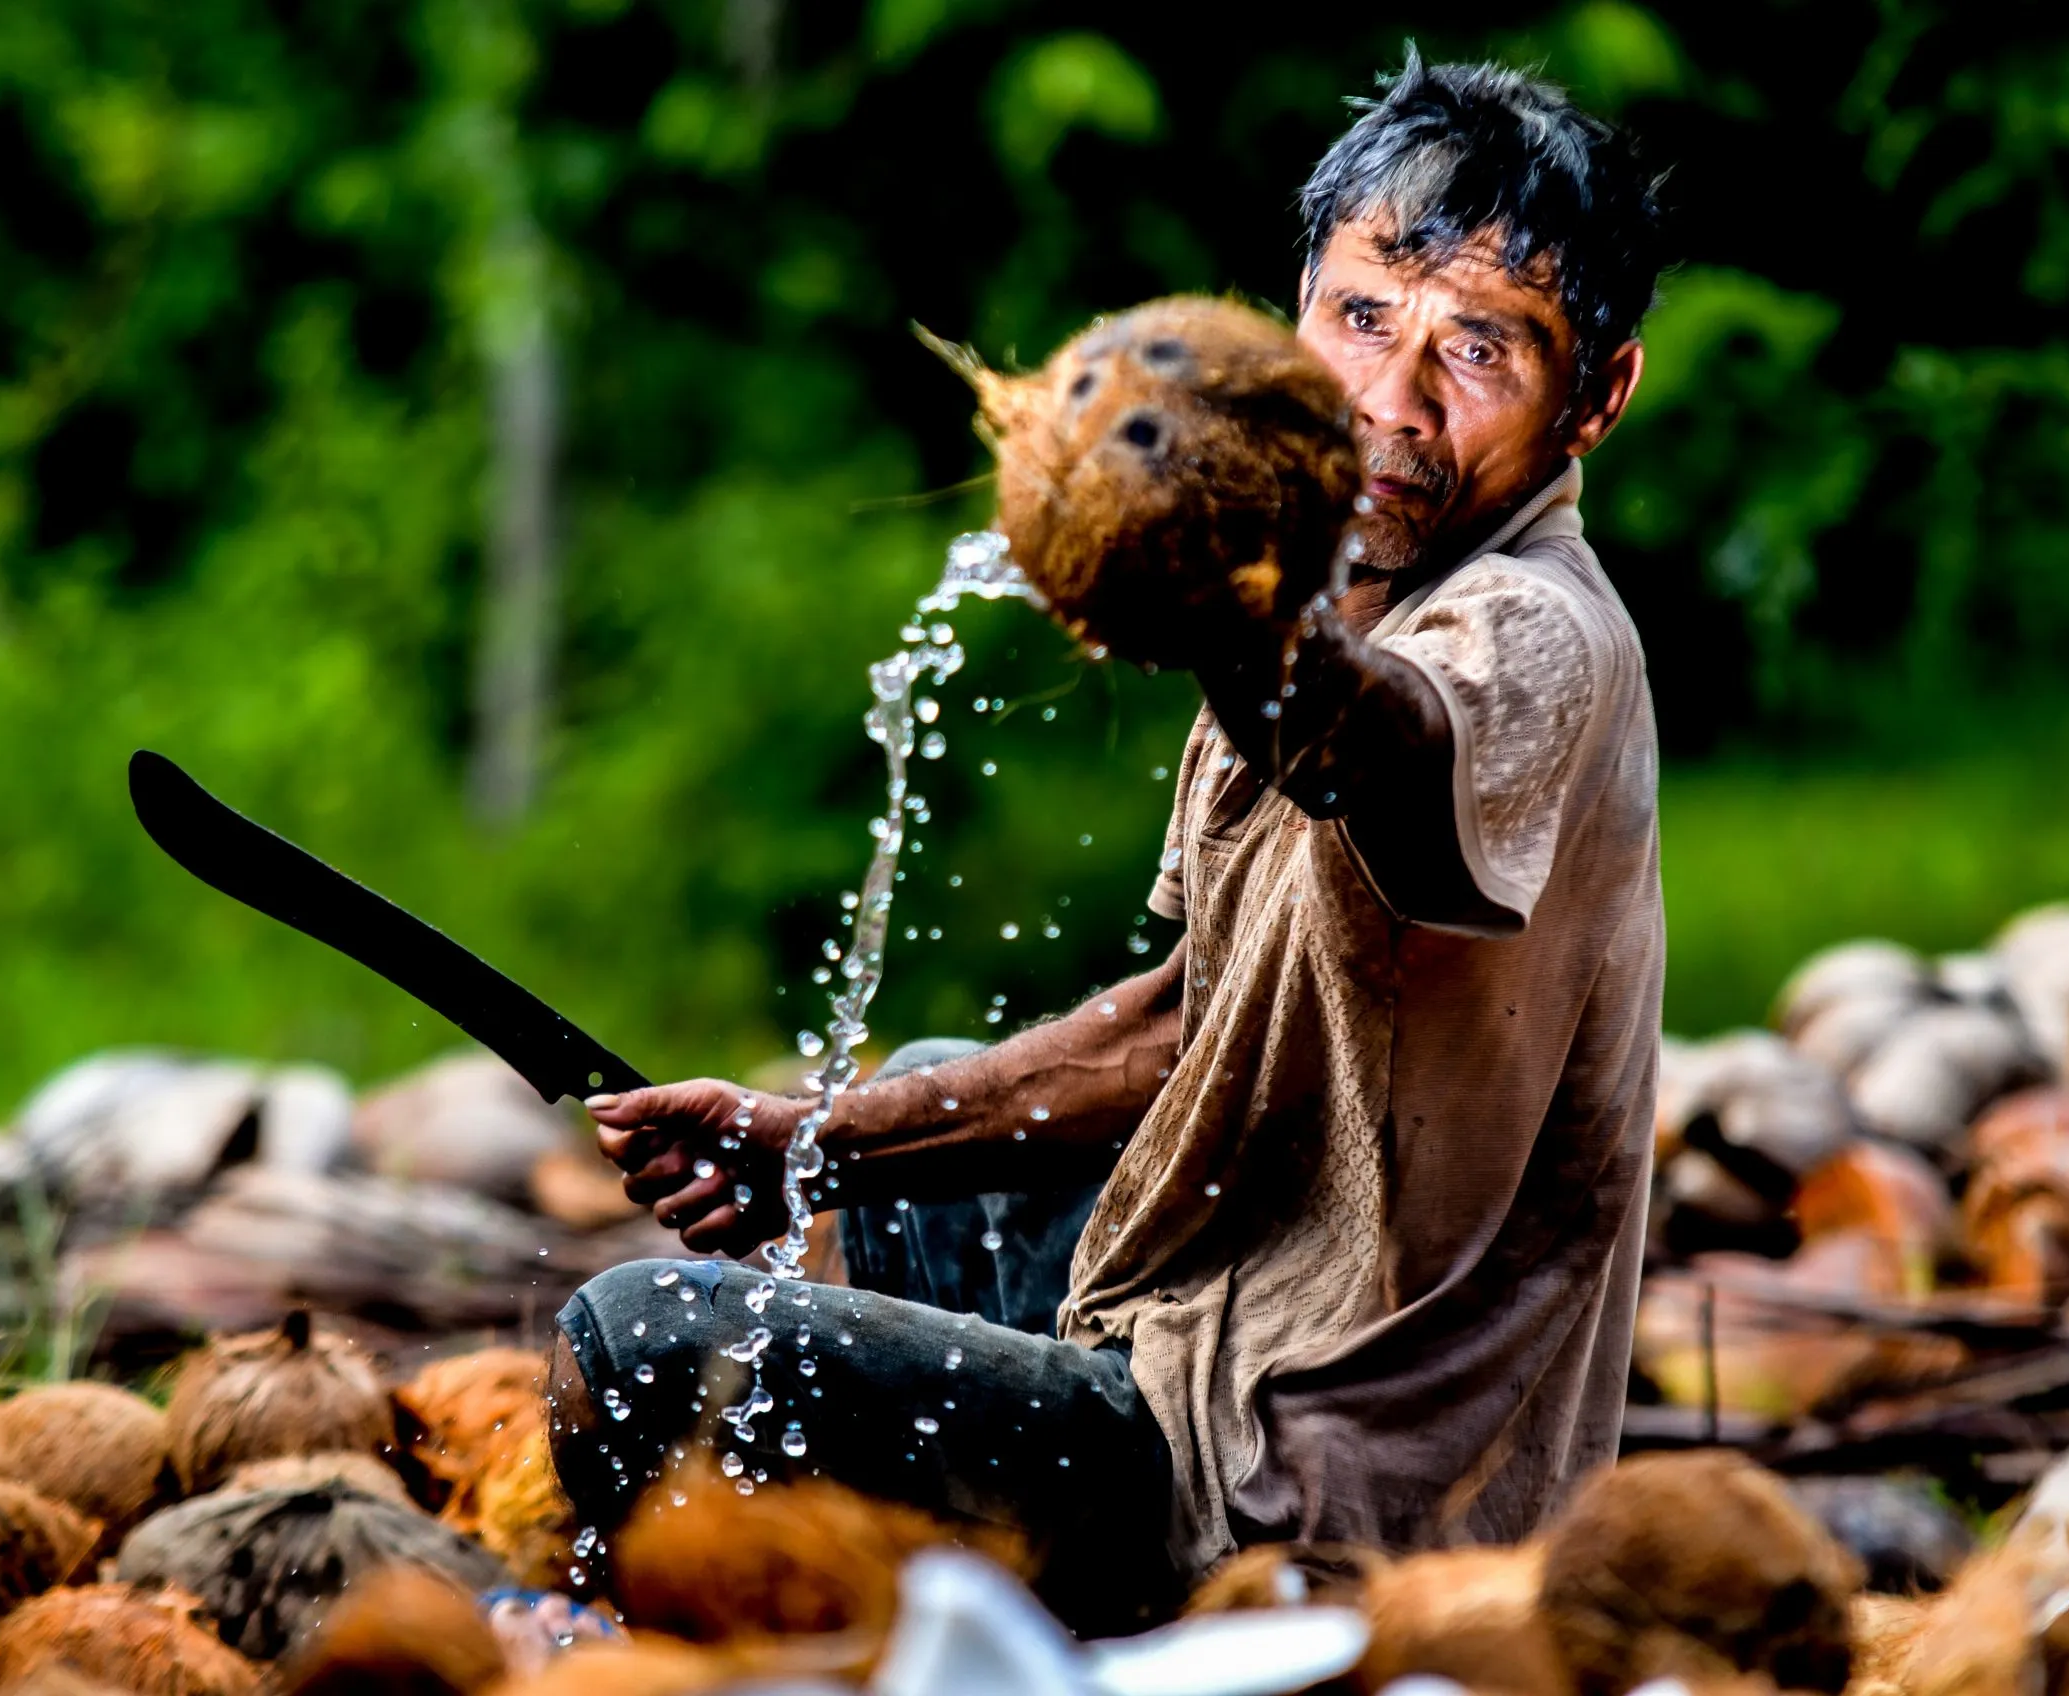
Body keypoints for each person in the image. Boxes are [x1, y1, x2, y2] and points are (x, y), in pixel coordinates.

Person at [552, 50, 1669, 1605]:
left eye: (1480, 351)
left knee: (641, 1342)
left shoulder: (1536, 635)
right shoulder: (1326, 601)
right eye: (1360, 321)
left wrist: (1235, 612)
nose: (1394, 402)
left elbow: (1394, 761)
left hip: (1337, 1501)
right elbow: (1188, 1021)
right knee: (930, 1109)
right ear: (1294, 315)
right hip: (1228, 1345)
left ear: (1596, 397)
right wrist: (806, 1142)